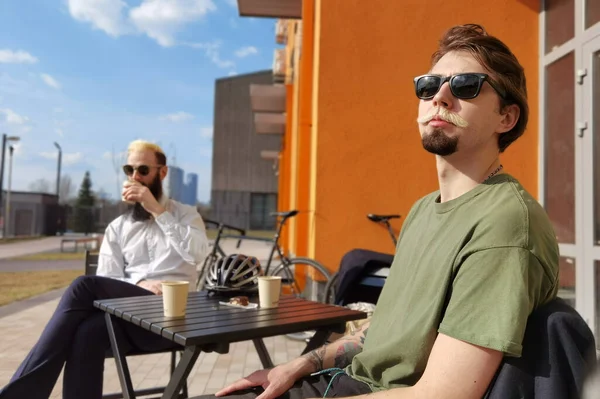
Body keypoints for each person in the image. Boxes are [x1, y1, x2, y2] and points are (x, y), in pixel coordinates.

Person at [203, 24, 560, 399]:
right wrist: (299, 365)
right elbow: (387, 330)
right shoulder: (424, 209)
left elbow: (442, 395)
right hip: (343, 382)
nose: (439, 97)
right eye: (428, 86)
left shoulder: (503, 225)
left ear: (506, 118)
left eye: (466, 85)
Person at [0, 139, 209, 399]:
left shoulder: (187, 215)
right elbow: (107, 281)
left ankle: (20, 394)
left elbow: (198, 253)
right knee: (87, 332)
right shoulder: (118, 227)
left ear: (162, 172)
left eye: (143, 170)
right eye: (129, 170)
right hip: (128, 320)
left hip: (175, 320)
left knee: (82, 285)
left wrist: (157, 210)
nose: (135, 177)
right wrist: (139, 286)